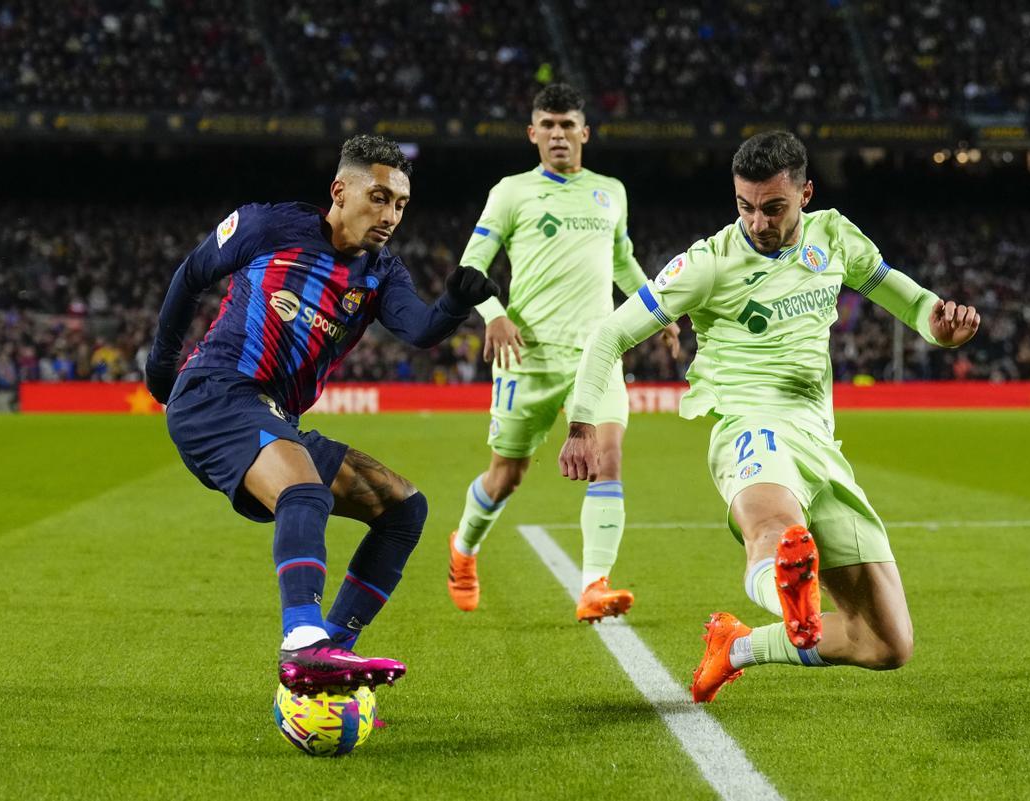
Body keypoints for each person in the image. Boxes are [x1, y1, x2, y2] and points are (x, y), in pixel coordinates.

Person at [558, 131, 980, 701]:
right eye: (745, 206)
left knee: (885, 643)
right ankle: (783, 587)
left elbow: (913, 304)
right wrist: (581, 426)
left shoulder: (835, 237)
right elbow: (608, 334)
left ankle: (735, 646)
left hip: (820, 444)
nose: (757, 222)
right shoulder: (708, 264)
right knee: (772, 528)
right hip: (749, 425)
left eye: (773, 207)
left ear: (805, 193)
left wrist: (942, 325)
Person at [145, 135, 499, 694]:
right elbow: (192, 274)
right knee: (304, 490)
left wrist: (455, 302)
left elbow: (420, 328)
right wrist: (161, 369)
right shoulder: (268, 226)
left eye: (401, 204)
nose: (390, 216)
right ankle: (303, 639)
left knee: (403, 508)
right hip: (215, 394)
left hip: (270, 415)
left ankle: (329, 654)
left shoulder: (381, 274)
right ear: (340, 190)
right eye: (378, 198)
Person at [444, 84, 680, 621]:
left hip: (598, 351)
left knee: (608, 455)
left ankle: (594, 583)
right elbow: (469, 267)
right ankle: (464, 549)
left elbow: (622, 261)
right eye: (547, 125)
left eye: (567, 124)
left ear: (584, 133)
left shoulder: (611, 192)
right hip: (528, 356)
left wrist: (658, 310)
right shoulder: (511, 192)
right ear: (532, 133)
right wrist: (493, 314)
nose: (557, 134)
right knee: (506, 475)